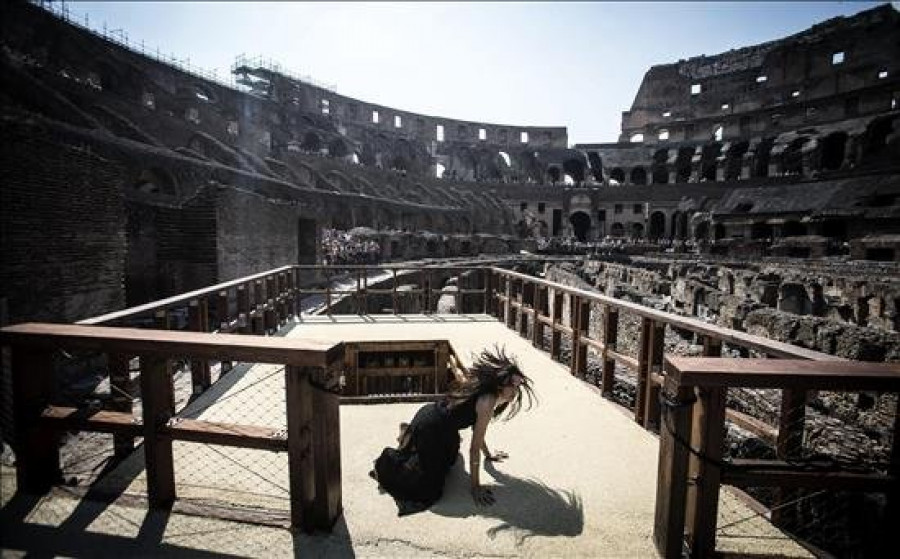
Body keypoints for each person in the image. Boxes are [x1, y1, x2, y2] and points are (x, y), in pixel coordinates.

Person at [370, 346, 536, 516]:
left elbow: (477, 429)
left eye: (518, 388)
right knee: (427, 491)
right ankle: (396, 451)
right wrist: (475, 487)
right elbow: (473, 448)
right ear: (501, 384)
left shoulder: (493, 396)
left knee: (449, 461)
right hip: (432, 426)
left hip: (441, 423)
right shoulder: (488, 401)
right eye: (513, 386)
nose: (515, 392)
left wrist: (488, 454)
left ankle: (409, 434)